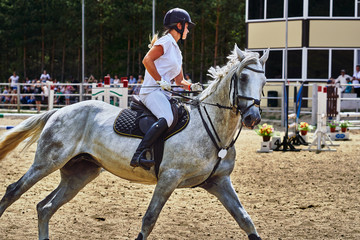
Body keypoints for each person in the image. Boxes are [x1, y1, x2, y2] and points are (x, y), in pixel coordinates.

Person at [130, 8, 202, 169]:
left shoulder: (177, 51)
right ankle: (139, 154)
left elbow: (179, 80)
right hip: (151, 92)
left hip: (163, 94)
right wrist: (160, 80)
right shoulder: (165, 41)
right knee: (168, 118)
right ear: (179, 25)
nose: (188, 30)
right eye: (187, 26)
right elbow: (147, 60)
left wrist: (191, 86)